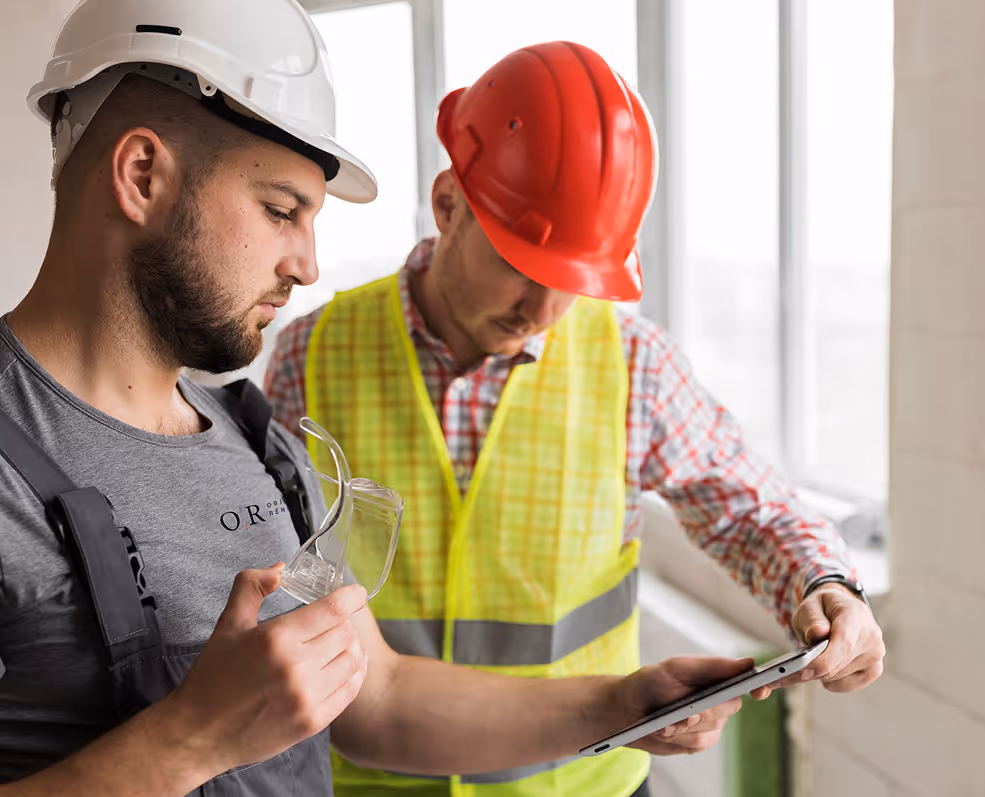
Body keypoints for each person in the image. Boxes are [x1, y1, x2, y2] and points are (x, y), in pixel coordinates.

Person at [0, 4, 756, 796]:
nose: (308, 264)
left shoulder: (257, 446)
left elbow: (379, 704)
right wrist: (188, 741)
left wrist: (619, 700)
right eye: (281, 210)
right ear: (142, 177)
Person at [265, 40, 888, 797]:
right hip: (377, 783)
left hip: (583, 781)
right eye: (523, 268)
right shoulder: (312, 354)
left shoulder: (633, 362)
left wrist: (820, 581)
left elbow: (746, 502)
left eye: (573, 281)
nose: (543, 311)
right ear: (448, 205)